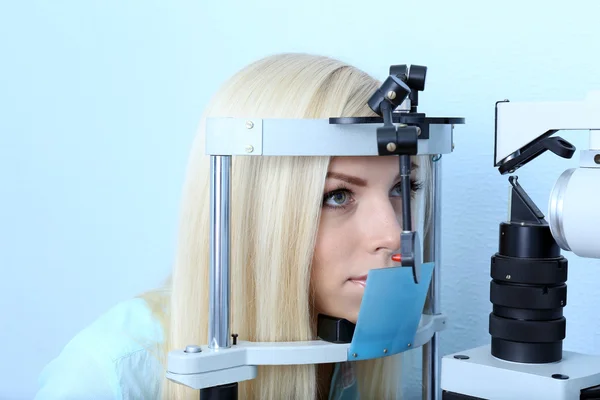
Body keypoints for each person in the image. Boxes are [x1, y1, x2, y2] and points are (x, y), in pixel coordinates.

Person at [34, 52, 433, 400]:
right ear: (255, 214)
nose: (392, 233)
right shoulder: (110, 375)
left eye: (402, 186)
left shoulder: (341, 343)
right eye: (338, 196)